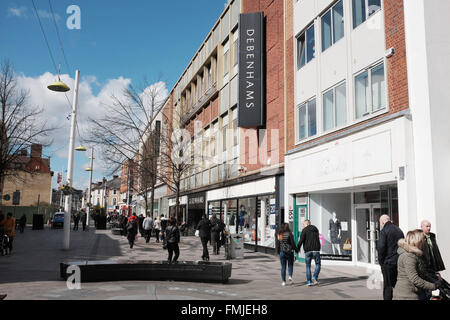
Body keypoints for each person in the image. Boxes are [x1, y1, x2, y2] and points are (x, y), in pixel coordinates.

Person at [394, 229, 441, 300]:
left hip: (413, 292)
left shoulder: (415, 255)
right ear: (417, 241)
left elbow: (423, 274)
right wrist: (433, 286)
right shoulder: (409, 256)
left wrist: (435, 281)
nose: (424, 242)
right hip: (407, 295)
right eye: (422, 239)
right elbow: (415, 279)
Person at [377, 214, 405, 300]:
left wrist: (381, 261)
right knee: (396, 283)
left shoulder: (384, 230)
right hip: (398, 261)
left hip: (388, 263)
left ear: (382, 222)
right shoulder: (399, 230)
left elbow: (381, 247)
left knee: (388, 286)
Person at [419, 220, 446, 300]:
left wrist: (438, 267)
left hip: (433, 264)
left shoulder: (432, 236)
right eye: (427, 226)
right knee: (428, 286)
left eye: (429, 226)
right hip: (425, 266)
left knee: (435, 286)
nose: (429, 228)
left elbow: (436, 252)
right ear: (422, 227)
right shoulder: (420, 237)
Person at [297, 220, 321, 286]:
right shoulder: (315, 229)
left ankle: (309, 282)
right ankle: (315, 276)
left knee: (308, 266)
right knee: (318, 264)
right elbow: (317, 238)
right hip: (316, 250)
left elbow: (301, 240)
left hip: (308, 250)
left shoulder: (304, 230)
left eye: (304, 224)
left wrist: (298, 248)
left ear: (306, 224)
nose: (303, 226)